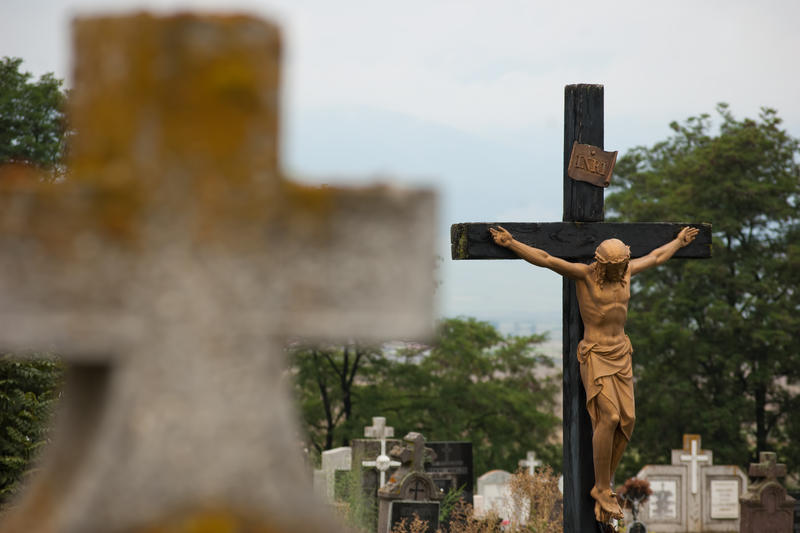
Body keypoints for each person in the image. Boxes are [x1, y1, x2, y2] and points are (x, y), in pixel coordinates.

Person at [489, 225, 699, 522]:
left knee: (627, 421)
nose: (619, 271)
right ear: (600, 264)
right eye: (613, 267)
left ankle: (607, 481)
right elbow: (546, 258)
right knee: (609, 417)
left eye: (621, 266)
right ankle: (600, 488)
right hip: (597, 353)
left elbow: (655, 257)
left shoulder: (625, 273)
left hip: (621, 353)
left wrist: (678, 242)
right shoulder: (585, 276)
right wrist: (511, 243)